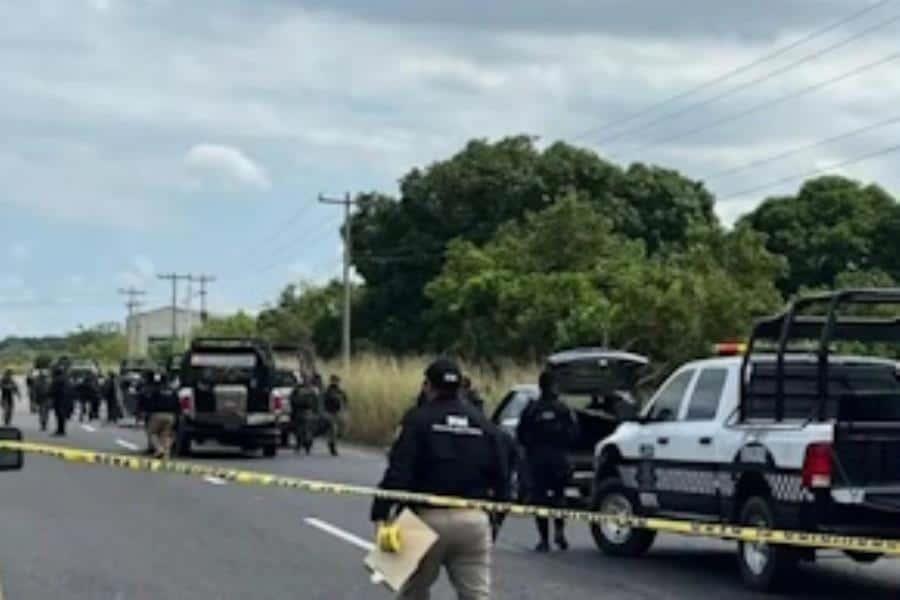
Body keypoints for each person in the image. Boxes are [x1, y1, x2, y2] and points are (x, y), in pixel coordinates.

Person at [371, 358, 509, 600]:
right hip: (473, 520)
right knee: (477, 595)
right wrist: (495, 519)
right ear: (461, 387)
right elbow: (503, 477)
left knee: (413, 591)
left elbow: (399, 473)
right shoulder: (485, 425)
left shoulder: (417, 419)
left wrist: (381, 512)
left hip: (423, 519)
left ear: (427, 386)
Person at [516, 370, 579, 552]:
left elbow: (521, 435)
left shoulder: (532, 409)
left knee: (539, 499)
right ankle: (559, 531)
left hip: (537, 459)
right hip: (558, 458)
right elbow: (574, 434)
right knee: (559, 496)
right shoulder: (563, 409)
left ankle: (543, 540)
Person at [139, 370, 179, 459]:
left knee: (152, 433)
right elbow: (177, 403)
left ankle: (159, 449)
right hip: (171, 416)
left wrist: (145, 412)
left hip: (157, 414)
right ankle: (167, 453)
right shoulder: (173, 391)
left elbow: (150, 402)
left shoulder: (155, 391)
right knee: (166, 434)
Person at [290, 378, 319, 455]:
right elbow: (316, 402)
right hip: (306, 412)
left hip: (301, 412)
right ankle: (306, 446)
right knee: (306, 430)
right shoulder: (311, 391)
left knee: (301, 430)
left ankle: (301, 446)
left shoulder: (297, 390)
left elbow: (292, 401)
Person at [322, 374, 348, 456]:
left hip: (338, 412)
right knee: (333, 429)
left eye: (337, 381)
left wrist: (345, 409)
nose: (336, 382)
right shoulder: (327, 391)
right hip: (329, 412)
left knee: (342, 427)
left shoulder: (340, 391)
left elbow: (345, 401)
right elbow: (323, 402)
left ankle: (333, 440)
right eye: (334, 380)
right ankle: (332, 446)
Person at [50, 366, 72, 436]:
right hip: (66, 400)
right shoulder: (66, 379)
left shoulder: (56, 380)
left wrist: (48, 395)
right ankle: (62, 430)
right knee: (62, 416)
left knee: (59, 416)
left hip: (59, 400)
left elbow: (52, 390)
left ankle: (60, 430)